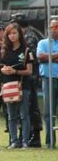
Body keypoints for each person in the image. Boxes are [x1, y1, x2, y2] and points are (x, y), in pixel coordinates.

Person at [11, 13, 43, 147]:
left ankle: (34, 135)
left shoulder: (30, 37)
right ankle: (24, 135)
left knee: (31, 107)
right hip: (20, 77)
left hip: (30, 77)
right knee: (21, 109)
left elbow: (27, 57)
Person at [0, 23, 35, 149]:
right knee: (11, 115)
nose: (12, 36)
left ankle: (25, 141)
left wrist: (16, 72)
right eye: (10, 33)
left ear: (20, 34)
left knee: (24, 114)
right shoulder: (5, 50)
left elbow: (30, 70)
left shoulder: (26, 50)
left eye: (14, 33)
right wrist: (4, 70)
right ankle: (13, 141)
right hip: (8, 85)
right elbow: (1, 66)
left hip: (22, 85)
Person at [37, 19, 58, 148]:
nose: (54, 29)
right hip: (48, 79)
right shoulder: (43, 43)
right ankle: (50, 141)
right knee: (48, 111)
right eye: (52, 27)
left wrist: (50, 57)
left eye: (56, 27)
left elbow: (46, 57)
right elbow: (41, 57)